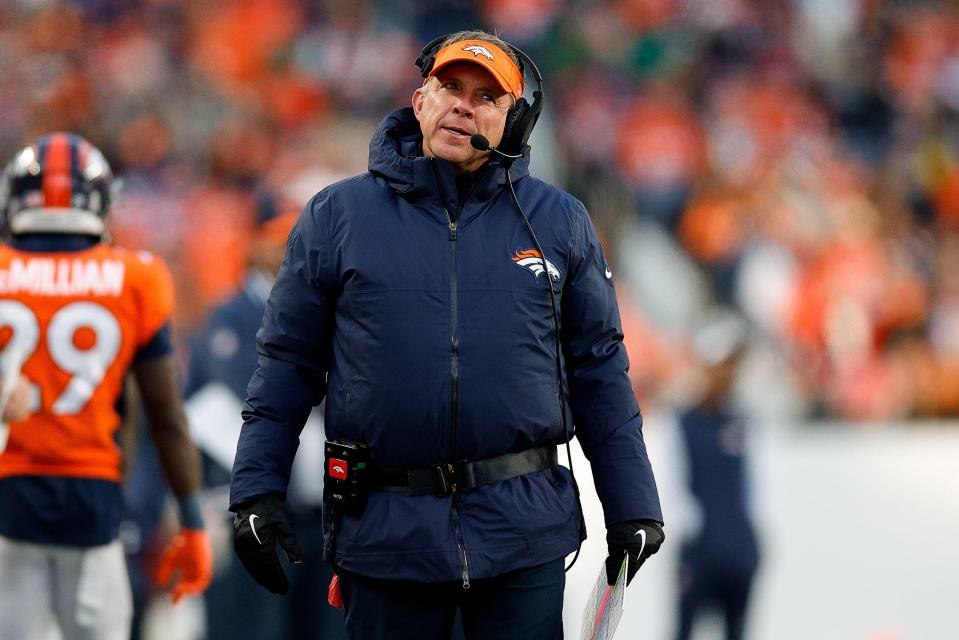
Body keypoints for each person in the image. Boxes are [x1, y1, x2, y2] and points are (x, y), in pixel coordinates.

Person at [229, 30, 664, 640]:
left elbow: (599, 371)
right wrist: (255, 488)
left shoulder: (561, 221)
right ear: (420, 99)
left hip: (523, 530)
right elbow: (285, 364)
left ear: (515, 122)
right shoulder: (336, 216)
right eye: (451, 88)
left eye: (487, 97)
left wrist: (633, 503)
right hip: (385, 532)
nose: (464, 104)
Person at [0, 132, 213, 640]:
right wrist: (191, 521)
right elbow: (166, 415)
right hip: (94, 496)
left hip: (8, 490)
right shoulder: (134, 276)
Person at [184, 192, 346, 639]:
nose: (291, 248)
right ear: (255, 242)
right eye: (279, 238)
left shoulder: (329, 309)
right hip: (254, 509)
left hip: (323, 509)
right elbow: (244, 396)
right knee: (253, 628)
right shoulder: (230, 316)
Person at [675, 311, 760, 640]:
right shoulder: (683, 422)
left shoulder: (744, 419)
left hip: (738, 550)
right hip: (700, 551)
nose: (728, 373)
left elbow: (755, 487)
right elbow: (675, 488)